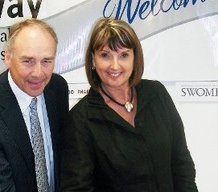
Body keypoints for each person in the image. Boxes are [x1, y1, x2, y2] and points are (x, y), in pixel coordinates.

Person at [60, 17, 198, 191]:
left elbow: (181, 163)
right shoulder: (81, 119)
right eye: (105, 55)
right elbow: (76, 188)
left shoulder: (156, 93)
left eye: (124, 55)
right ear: (93, 60)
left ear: (135, 58)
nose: (115, 65)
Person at [0, 18, 69, 192]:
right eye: (28, 61)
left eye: (46, 61)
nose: (38, 73)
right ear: (8, 57)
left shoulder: (57, 88)